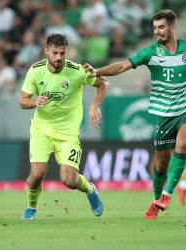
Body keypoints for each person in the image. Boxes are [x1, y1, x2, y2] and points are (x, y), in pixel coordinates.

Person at [84, 9, 186, 219]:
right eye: (155, 28)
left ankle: (167, 194)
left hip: (184, 109)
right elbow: (123, 65)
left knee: (183, 143)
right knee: (160, 165)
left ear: (172, 27)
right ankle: (157, 198)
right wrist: (98, 71)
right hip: (164, 114)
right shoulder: (150, 52)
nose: (157, 32)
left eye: (161, 27)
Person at [19, 33, 109, 220]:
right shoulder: (35, 71)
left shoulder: (77, 71)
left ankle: (90, 189)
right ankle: (31, 207)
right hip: (41, 129)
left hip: (67, 133)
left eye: (62, 53)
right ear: (46, 52)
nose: (59, 57)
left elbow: (103, 84)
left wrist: (94, 104)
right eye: (54, 53)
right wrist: (35, 101)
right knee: (37, 174)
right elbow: (22, 100)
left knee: (69, 180)